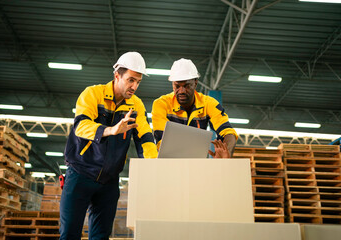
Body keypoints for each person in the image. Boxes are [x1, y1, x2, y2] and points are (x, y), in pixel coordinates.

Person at [60, 52, 158, 240]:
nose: (135, 86)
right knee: (69, 235)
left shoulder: (136, 105)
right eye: (130, 80)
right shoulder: (92, 94)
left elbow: (144, 137)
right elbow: (81, 126)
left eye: (138, 82)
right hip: (80, 175)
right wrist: (111, 130)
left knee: (100, 237)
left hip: (109, 182)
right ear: (117, 76)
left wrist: (153, 163)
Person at [152, 58, 237, 158]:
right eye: (177, 86)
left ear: (195, 83)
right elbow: (162, 139)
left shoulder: (208, 103)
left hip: (197, 163)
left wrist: (226, 154)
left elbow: (228, 132)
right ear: (172, 84)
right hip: (170, 160)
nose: (182, 91)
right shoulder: (161, 104)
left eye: (187, 86)